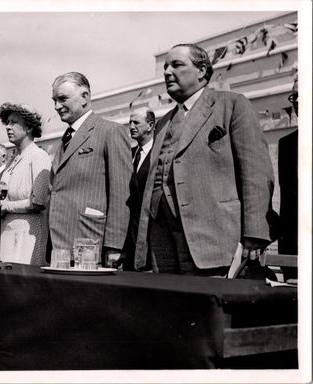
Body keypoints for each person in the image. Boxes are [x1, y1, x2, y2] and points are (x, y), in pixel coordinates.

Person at [134, 44, 275, 276]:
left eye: (177, 65)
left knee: (212, 309)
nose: (168, 72)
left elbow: (255, 173)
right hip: (164, 246)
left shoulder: (232, 105)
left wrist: (255, 232)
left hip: (215, 241)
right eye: (166, 67)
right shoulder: (163, 123)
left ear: (201, 70)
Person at [50, 72, 132, 266]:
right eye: (54, 100)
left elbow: (122, 193)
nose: (56, 107)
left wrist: (114, 246)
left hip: (90, 242)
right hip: (59, 246)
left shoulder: (110, 131)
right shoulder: (65, 139)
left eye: (62, 99)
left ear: (85, 96)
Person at [0, 102, 52, 265]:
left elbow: (39, 201)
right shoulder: (12, 161)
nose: (8, 127)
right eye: (7, 123)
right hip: (7, 232)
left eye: (13, 122)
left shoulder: (39, 156)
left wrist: (5, 207)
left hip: (27, 233)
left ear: (28, 127)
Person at [123, 108, 155, 270]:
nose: (131, 126)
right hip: (130, 233)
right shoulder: (129, 154)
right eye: (130, 122)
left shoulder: (159, 153)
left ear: (150, 125)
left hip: (151, 232)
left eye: (136, 122)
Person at [278, 75, 298, 280]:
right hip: (296, 258)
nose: (298, 102)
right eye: (295, 97)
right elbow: (288, 207)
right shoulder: (288, 145)